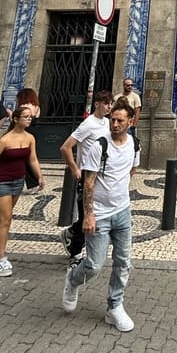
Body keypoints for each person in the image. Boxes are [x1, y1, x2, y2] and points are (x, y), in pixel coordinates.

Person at [62, 101, 140, 332]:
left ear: (130, 122)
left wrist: (119, 190)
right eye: (112, 119)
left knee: (123, 262)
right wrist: (89, 215)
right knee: (94, 265)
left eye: (120, 120)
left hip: (123, 212)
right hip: (100, 215)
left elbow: (132, 169)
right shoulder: (99, 146)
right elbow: (88, 182)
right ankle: (73, 279)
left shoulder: (134, 143)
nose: (114, 124)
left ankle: (114, 306)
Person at [0, 107, 44, 277]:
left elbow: (32, 158)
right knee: (6, 220)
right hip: (1, 183)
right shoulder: (4, 141)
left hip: (18, 183)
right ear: (16, 119)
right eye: (26, 117)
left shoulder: (30, 138)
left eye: (30, 117)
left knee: (1, 217)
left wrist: (39, 176)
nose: (29, 119)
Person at [59, 90, 114, 259]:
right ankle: (74, 252)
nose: (109, 107)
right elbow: (66, 147)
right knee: (86, 214)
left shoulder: (107, 122)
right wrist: (75, 168)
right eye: (106, 103)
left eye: (111, 104)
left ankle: (71, 232)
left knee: (97, 212)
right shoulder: (88, 124)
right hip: (87, 173)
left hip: (101, 174)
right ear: (96, 104)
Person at [17, 87, 41, 192]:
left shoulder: (23, 107)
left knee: (24, 158)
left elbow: (19, 120)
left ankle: (33, 183)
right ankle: (34, 182)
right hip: (34, 132)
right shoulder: (36, 107)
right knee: (31, 158)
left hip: (24, 132)